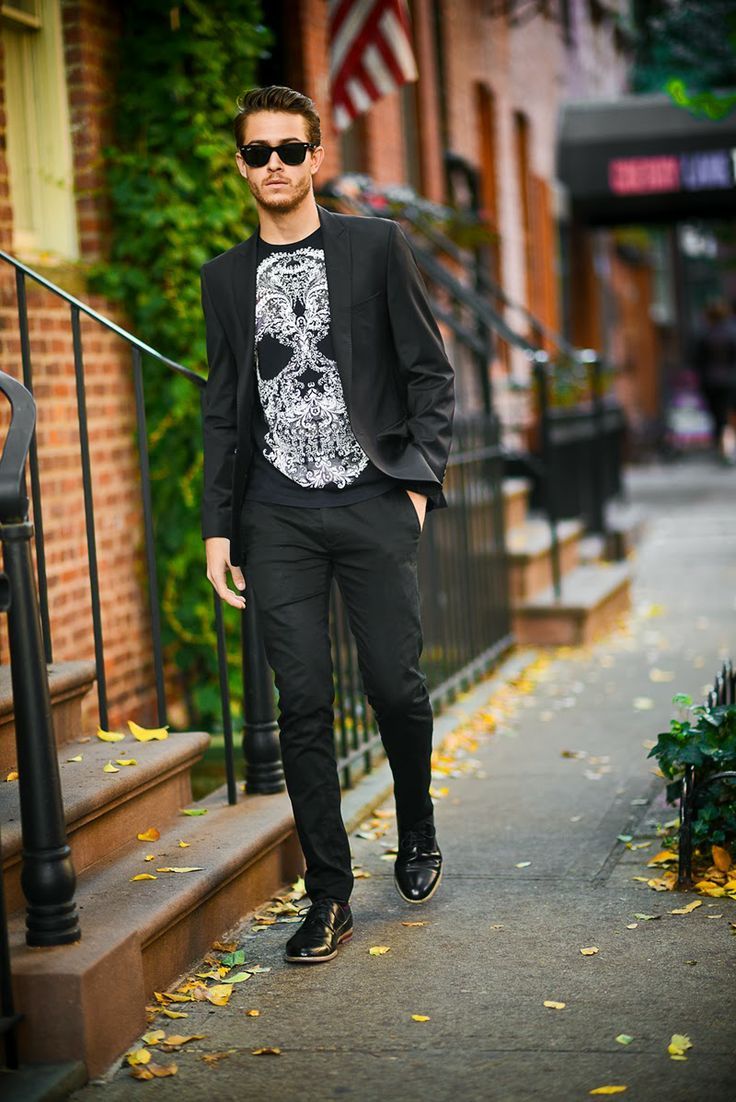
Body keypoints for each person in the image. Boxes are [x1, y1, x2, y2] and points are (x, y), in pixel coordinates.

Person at [200, 86, 455, 964]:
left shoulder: (376, 246)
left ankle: (416, 826)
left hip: (372, 497)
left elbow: (429, 372)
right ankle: (329, 896)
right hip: (276, 514)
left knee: (395, 685)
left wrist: (416, 486)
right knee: (301, 701)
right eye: (258, 152)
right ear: (242, 166)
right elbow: (224, 410)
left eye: (289, 149)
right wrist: (218, 529)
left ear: (316, 158)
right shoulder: (224, 279)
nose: (274, 164)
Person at [693, 299, 736, 463]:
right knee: (727, 415)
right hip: (729, 380)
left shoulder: (706, 334)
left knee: (718, 416)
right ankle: (726, 447)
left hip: (711, 381)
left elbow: (697, 360)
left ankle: (722, 447)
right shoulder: (731, 332)